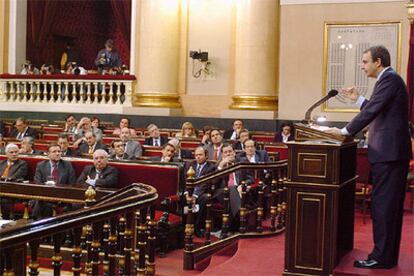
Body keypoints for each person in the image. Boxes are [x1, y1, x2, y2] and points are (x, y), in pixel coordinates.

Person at [325, 45, 412, 269]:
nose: (362, 66)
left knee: (384, 207)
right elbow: (378, 108)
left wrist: (344, 132)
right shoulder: (389, 80)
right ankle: (385, 255)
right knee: (386, 206)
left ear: (378, 62)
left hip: (389, 154)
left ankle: (381, 257)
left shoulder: (389, 80)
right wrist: (358, 100)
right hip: (390, 154)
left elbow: (374, 111)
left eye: (365, 62)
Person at [32, 143, 77, 219]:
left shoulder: (67, 165)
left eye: (59, 151)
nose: (57, 154)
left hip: (61, 196)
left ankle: (35, 222)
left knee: (41, 203)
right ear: (48, 154)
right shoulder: (41, 165)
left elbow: (72, 184)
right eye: (54, 152)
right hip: (45, 195)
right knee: (41, 202)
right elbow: (37, 182)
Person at [184, 147, 217, 236]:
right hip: (189, 191)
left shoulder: (211, 167)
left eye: (200, 155)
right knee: (180, 199)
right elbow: (185, 181)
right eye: (196, 155)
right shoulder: (189, 165)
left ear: (206, 156)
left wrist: (194, 196)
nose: (198, 157)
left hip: (202, 193)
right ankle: (183, 226)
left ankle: (197, 227)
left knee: (205, 198)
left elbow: (205, 184)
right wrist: (188, 194)